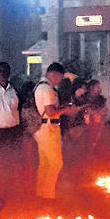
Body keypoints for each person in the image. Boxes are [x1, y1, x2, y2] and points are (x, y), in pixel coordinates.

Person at [34, 63, 80, 199]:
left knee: (45, 163)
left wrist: (65, 107)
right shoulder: (46, 89)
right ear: (54, 74)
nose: (60, 81)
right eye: (60, 77)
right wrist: (66, 110)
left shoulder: (42, 86)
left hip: (43, 129)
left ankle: (41, 193)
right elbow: (51, 112)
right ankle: (48, 195)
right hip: (48, 129)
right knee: (56, 163)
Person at [0, 62, 21, 148]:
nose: (2, 74)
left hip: (14, 132)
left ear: (9, 73)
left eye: (5, 71)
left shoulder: (16, 90)